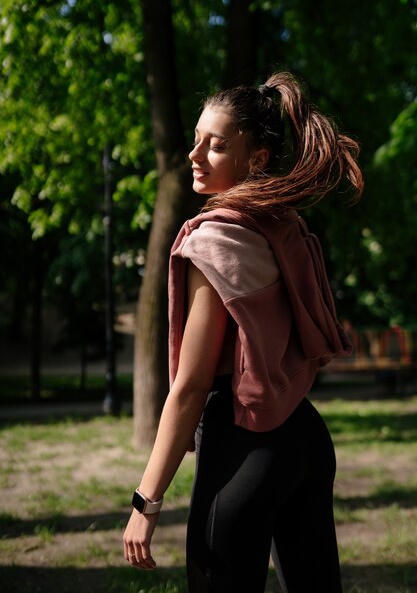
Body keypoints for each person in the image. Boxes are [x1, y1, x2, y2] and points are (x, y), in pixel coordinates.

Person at [123, 71, 363, 592]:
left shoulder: (213, 242)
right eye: (195, 141)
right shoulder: (283, 227)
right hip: (305, 437)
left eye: (216, 145)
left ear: (256, 159)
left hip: (244, 449)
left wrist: (146, 501)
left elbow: (189, 388)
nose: (195, 154)